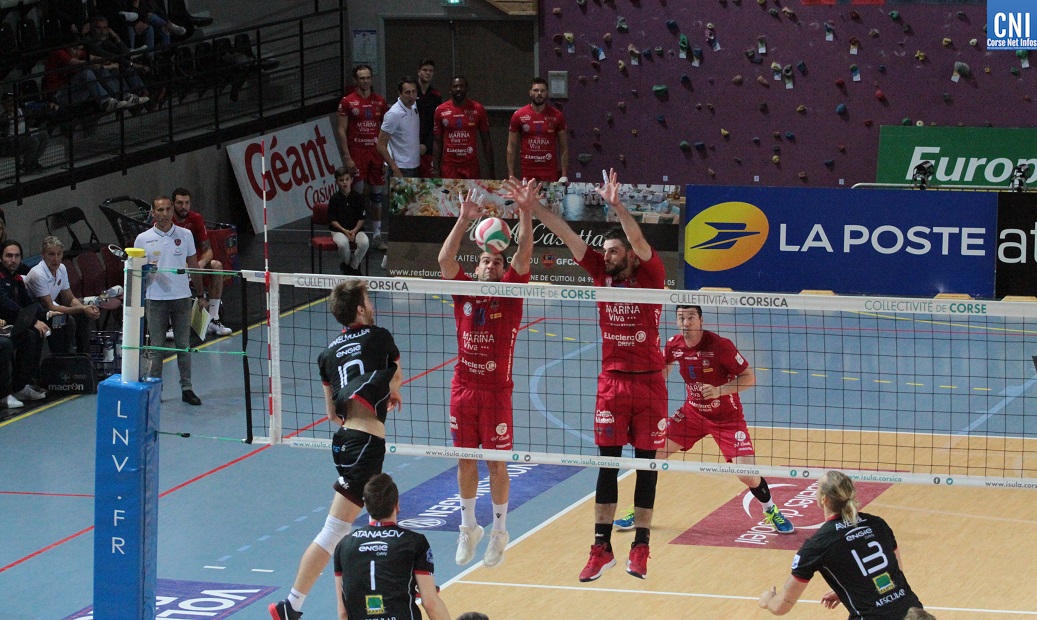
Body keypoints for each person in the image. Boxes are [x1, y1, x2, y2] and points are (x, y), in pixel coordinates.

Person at [513, 169, 665, 581]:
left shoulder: (650, 274)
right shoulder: (600, 272)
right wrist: (533, 207)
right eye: (605, 251)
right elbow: (565, 233)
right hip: (612, 382)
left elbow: (639, 240)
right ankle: (601, 548)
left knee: (647, 466)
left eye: (614, 251)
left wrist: (617, 205)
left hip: (650, 382)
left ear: (629, 256)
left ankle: (641, 547)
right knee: (607, 465)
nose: (607, 255)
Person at [270, 279, 403, 620]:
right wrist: (392, 391)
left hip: (345, 442)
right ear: (360, 308)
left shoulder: (327, 355)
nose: (371, 305)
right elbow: (395, 375)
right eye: (368, 300)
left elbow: (332, 413)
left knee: (369, 521)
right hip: (366, 444)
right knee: (340, 530)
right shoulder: (379, 336)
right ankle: (293, 605)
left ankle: (371, 598)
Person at [614, 305, 793, 535]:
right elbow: (662, 372)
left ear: (701, 320)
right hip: (692, 414)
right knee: (652, 457)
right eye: (681, 318)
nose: (686, 322)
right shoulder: (674, 344)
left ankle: (771, 510)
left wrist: (719, 390)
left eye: (691, 317)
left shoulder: (720, 346)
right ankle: (640, 512)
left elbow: (749, 378)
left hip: (727, 418)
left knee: (746, 474)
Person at [437, 182, 533, 568]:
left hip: (496, 393)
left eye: (496, 262)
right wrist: (463, 219)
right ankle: (468, 528)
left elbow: (524, 253)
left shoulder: (510, 295)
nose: (489, 266)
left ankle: (498, 532)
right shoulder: (464, 292)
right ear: (476, 267)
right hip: (463, 388)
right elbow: (445, 259)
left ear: (503, 269)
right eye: (484, 262)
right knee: (465, 461)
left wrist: (525, 211)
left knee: (496, 464)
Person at [759, 470, 926, 618]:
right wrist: (851, 588)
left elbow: (782, 606)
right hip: (914, 613)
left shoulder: (817, 545)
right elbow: (895, 571)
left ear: (823, 499)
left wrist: (768, 601)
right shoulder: (878, 524)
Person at [333, 473, 450, 620]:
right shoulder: (414, 542)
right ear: (397, 505)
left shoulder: (343, 545)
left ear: (366, 506)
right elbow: (430, 603)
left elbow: (343, 612)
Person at [133, 196, 206, 406]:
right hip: (155, 300)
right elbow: (136, 272)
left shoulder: (185, 235)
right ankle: (155, 390)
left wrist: (201, 294)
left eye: (167, 209)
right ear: (152, 213)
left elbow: (193, 265)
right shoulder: (142, 239)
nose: (164, 214)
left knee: (183, 346)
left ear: (172, 211)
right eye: (160, 210)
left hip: (182, 298)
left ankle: (187, 389)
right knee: (157, 348)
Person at [335, 65, 388, 250]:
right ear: (356, 80)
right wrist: (347, 157)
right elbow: (341, 130)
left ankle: (377, 235)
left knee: (377, 196)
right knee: (355, 196)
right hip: (357, 153)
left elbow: (386, 131)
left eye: (368, 77)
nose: (365, 81)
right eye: (362, 78)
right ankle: (353, 234)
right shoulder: (347, 102)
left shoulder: (380, 101)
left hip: (376, 153)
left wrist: (385, 158)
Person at [170, 187, 232, 336]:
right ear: (173, 204)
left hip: (194, 263)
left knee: (217, 266)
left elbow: (208, 250)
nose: (183, 206)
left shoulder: (196, 218)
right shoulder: (167, 220)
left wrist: (200, 264)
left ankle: (213, 319)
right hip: (175, 265)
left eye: (187, 203)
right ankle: (171, 324)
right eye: (180, 203)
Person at [25, 236, 101, 355]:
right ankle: (62, 358)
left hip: (50, 309)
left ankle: (83, 357)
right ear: (43, 255)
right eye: (51, 254)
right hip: (37, 313)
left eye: (59, 254)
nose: (55, 259)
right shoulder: (38, 274)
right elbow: (50, 307)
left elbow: (69, 298)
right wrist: (82, 308)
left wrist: (84, 308)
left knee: (83, 315)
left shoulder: (62, 268)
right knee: (65, 320)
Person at [0, 241, 49, 404]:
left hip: (9, 325)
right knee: (5, 344)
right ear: (1, 258)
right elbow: (6, 304)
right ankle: (3, 394)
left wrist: (47, 313)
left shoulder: (16, 277)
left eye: (17, 256)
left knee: (33, 334)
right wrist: (33, 320)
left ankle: (21, 386)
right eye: (9, 256)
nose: (13, 260)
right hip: (4, 325)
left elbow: (28, 302)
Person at [507, 77, 568, 183]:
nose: (539, 93)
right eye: (536, 90)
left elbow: (564, 147)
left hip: (549, 169)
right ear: (530, 92)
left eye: (542, 90)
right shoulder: (519, 115)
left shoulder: (557, 116)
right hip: (528, 169)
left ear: (547, 93)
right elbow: (511, 147)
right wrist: (511, 175)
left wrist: (564, 175)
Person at [432, 76, 494, 180]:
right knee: (450, 191)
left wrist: (491, 170)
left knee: (471, 192)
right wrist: (435, 170)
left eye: (461, 86)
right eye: (455, 86)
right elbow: (437, 141)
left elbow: (486, 141)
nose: (458, 89)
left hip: (470, 166)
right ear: (450, 89)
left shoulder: (478, 109)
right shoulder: (440, 110)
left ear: (467, 88)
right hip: (449, 166)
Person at [83, 15, 151, 107]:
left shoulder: (104, 40)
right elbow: (110, 56)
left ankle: (142, 94)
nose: (102, 32)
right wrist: (134, 64)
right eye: (98, 28)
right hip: (94, 71)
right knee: (108, 69)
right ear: (92, 29)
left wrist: (116, 36)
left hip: (109, 66)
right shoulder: (89, 42)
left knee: (124, 67)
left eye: (105, 28)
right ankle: (127, 98)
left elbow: (126, 54)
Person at [377, 76, 422, 179]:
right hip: (401, 168)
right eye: (407, 92)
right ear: (400, 94)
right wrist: (394, 168)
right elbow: (380, 145)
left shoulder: (414, 106)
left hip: (415, 165)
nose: (412, 96)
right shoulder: (394, 114)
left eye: (414, 92)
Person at [327, 167, 368, 276]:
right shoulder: (334, 199)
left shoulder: (359, 198)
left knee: (364, 242)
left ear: (351, 180)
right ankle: (350, 266)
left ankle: (351, 267)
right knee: (343, 244)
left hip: (356, 230)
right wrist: (344, 231)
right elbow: (332, 220)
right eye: (341, 180)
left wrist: (354, 231)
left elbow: (362, 218)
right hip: (339, 231)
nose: (344, 182)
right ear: (336, 182)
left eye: (347, 179)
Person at [0, 92, 50, 172]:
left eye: (13, 101)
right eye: (9, 101)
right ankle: (26, 164)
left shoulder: (22, 111)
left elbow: (34, 114)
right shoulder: (3, 118)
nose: (12, 103)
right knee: (33, 140)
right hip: (12, 143)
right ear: (4, 105)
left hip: (24, 138)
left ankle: (34, 161)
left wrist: (46, 108)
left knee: (44, 135)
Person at [415, 58, 442, 178]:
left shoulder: (436, 95)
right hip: (409, 145)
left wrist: (426, 145)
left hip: (428, 147)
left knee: (427, 183)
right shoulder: (411, 92)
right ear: (419, 72)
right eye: (425, 70)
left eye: (431, 71)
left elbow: (436, 124)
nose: (428, 73)